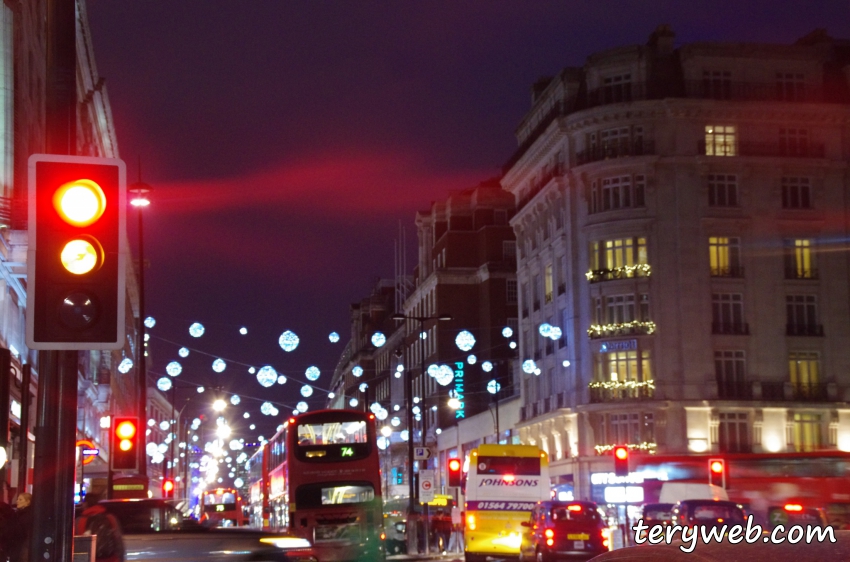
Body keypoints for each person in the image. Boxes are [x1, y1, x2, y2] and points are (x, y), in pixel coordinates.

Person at [75, 490, 125, 562]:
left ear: (85, 504)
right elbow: (118, 543)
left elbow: (78, 547)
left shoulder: (79, 521)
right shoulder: (110, 518)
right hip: (111, 559)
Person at [8, 493, 33, 562]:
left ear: (28, 502)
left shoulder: (26, 515)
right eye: (18, 499)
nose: (17, 501)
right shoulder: (20, 514)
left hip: (21, 546)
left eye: (20, 499)